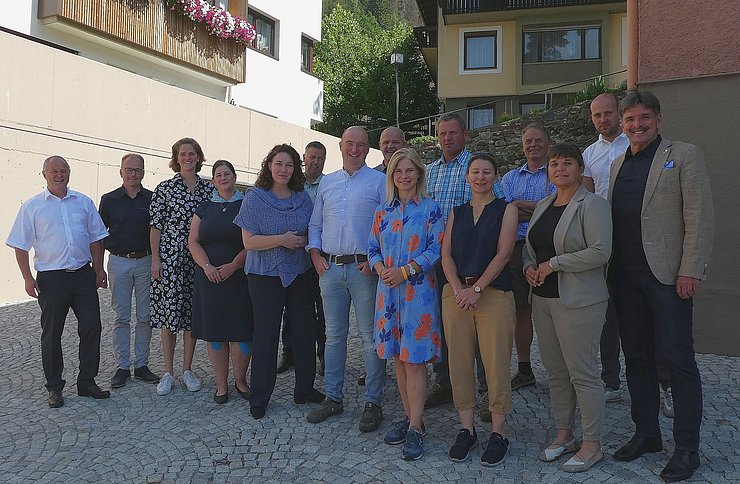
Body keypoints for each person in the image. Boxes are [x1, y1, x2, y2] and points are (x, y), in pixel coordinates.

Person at [608, 91, 714, 483]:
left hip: (668, 278)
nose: (637, 125)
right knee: (635, 358)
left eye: (644, 118)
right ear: (622, 124)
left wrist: (691, 271)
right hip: (626, 278)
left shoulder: (684, 154)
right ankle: (647, 434)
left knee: (677, 360)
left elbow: (699, 217)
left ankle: (687, 448)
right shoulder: (619, 163)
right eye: (630, 120)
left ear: (659, 119)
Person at [523, 144, 612, 473]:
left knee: (583, 373)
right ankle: (564, 434)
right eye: (554, 164)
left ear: (580, 168)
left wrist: (554, 264)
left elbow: (602, 251)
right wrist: (529, 267)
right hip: (543, 300)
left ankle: (593, 443)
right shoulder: (544, 205)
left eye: (567, 163)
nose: (560, 169)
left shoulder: (593, 205)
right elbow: (531, 248)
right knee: (557, 373)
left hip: (579, 301)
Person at [6, 155, 111, 407]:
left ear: (69, 173)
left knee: (92, 327)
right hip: (51, 279)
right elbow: (20, 245)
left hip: (83, 276)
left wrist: (98, 269)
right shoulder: (32, 207)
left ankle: (87, 381)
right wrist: (27, 278)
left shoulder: (83, 202)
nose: (59, 175)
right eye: (54, 171)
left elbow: (97, 238)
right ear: (44, 174)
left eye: (64, 170)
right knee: (51, 334)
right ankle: (54, 387)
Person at [305, 126, 387, 432]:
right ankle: (333, 397)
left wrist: (374, 260)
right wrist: (315, 255)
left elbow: (387, 224)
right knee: (334, 336)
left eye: (361, 145)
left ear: (368, 149)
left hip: (364, 269)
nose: (355, 149)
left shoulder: (380, 182)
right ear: (341, 145)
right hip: (330, 269)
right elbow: (315, 224)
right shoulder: (328, 183)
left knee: (369, 336)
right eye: (350, 143)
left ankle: (373, 402)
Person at [236, 144, 324, 419]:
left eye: (288, 165)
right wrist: (282, 240)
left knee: (305, 329)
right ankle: (260, 398)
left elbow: (314, 230)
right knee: (266, 334)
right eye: (279, 164)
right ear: (269, 166)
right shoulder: (254, 198)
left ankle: (304, 390)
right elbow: (249, 242)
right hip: (264, 275)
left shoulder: (303, 198)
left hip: (299, 272)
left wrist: (305, 242)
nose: (283, 169)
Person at [441, 153, 518, 466]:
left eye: (487, 172)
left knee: (496, 363)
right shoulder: (456, 213)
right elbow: (446, 255)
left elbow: (504, 253)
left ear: (496, 176)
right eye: (475, 172)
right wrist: (459, 289)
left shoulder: (506, 209)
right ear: (467, 177)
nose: (481, 177)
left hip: (493, 293)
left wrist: (476, 289)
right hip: (456, 294)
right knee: (458, 363)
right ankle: (467, 429)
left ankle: (498, 433)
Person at [426, 113, 502, 422]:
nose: (447, 138)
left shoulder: (476, 168)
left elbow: (494, 211)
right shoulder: (429, 172)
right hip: (436, 258)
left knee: (480, 326)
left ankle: (486, 391)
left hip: (473, 258)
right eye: (442, 133)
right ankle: (444, 381)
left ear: (465, 134)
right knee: (444, 325)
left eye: (453, 133)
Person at [369, 148, 444, 460]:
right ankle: (412, 417)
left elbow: (435, 249)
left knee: (414, 360)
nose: (403, 176)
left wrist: (405, 271)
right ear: (392, 176)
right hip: (388, 294)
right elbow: (372, 248)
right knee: (398, 359)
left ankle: (415, 426)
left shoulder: (431, 209)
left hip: (417, 295)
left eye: (409, 170)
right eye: (398, 171)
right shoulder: (382, 213)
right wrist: (380, 269)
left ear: (418, 175)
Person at [149, 137, 214, 396]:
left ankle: (187, 369)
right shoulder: (164, 189)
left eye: (192, 153)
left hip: (197, 259)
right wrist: (156, 258)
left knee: (190, 316)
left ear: (198, 157)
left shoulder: (209, 190)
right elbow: (156, 227)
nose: (187, 158)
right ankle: (168, 371)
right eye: (182, 154)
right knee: (169, 315)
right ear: (176, 158)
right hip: (171, 259)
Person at [188, 160, 252, 404]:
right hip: (210, 278)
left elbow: (253, 239)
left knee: (241, 331)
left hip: (240, 277)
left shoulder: (246, 204)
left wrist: (234, 265)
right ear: (213, 180)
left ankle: (241, 381)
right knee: (215, 332)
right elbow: (193, 241)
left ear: (234, 177)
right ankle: (221, 384)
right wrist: (207, 267)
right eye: (218, 174)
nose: (223, 178)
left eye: (227, 173)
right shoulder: (203, 208)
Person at [581, 93, 630, 403]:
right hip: (603, 241)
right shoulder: (589, 154)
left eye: (608, 113)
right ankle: (611, 380)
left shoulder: (635, 145)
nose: (603, 119)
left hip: (635, 237)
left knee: (642, 313)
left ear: (619, 114)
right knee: (607, 315)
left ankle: (662, 384)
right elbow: (586, 200)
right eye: (597, 115)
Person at [501, 123, 554, 391]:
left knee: (554, 309)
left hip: (550, 248)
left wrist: (520, 207)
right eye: (528, 141)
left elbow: (561, 208)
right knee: (521, 310)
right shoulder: (510, 178)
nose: (533, 145)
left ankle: (560, 372)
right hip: (517, 247)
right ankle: (524, 369)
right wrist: (544, 207)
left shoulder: (556, 173)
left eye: (538, 140)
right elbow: (505, 212)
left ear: (548, 142)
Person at [99, 153, 160, 389]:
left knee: (145, 316)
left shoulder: (153, 199)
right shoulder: (109, 200)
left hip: (146, 261)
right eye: (129, 169)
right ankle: (122, 366)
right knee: (121, 317)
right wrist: (98, 267)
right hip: (119, 262)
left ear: (143, 173)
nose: (133, 174)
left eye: (138, 170)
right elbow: (98, 234)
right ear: (121, 171)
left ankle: (142, 364)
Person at [277, 141, 327, 376]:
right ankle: (290, 353)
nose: (315, 161)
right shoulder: (293, 184)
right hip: (293, 251)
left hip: (319, 252)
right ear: (304, 159)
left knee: (322, 306)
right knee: (291, 306)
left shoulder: (328, 185)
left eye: (320, 158)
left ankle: (323, 355)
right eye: (312, 157)